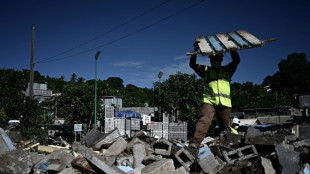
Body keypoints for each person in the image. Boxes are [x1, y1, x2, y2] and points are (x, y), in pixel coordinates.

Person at [188, 43, 240, 149]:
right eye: (212, 60)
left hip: (224, 103)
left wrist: (232, 50)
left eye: (216, 60)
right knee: (204, 119)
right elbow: (193, 65)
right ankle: (195, 142)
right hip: (210, 101)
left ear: (220, 61)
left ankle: (229, 144)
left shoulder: (227, 70)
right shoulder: (206, 71)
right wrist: (195, 51)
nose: (213, 62)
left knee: (225, 125)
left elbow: (236, 61)